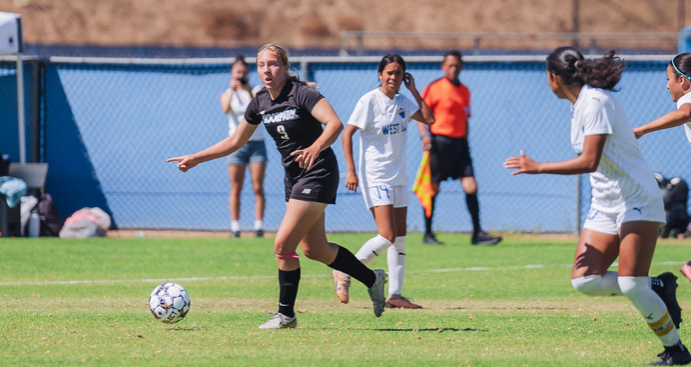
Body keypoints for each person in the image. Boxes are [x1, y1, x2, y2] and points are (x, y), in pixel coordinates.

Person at [168, 43, 387, 329]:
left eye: (272, 64)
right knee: (315, 250)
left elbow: (334, 124)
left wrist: (315, 147)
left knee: (283, 244)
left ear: (285, 67)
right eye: (261, 65)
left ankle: (286, 315)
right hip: (293, 177)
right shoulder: (259, 101)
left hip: (318, 171)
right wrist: (197, 158)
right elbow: (235, 141)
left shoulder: (302, 94)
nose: (266, 70)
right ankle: (373, 279)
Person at [504, 46, 690, 366]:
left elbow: (589, 161)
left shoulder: (596, 102)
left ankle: (676, 350)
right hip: (606, 203)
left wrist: (538, 167)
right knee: (585, 281)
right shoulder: (579, 106)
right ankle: (659, 285)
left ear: (553, 77)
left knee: (633, 284)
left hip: (637, 199)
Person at [334, 54, 435, 309]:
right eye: (389, 72)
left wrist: (413, 90)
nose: (393, 77)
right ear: (380, 74)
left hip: (398, 178)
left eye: (398, 73)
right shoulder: (369, 101)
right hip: (375, 176)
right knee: (387, 235)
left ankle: (396, 295)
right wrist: (351, 171)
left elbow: (430, 119)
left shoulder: (404, 101)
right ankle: (344, 270)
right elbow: (347, 134)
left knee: (399, 237)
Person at [416, 50, 502, 246]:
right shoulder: (434, 87)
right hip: (438, 143)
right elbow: (421, 113)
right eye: (449, 65)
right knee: (433, 189)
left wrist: (465, 141)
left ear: (461, 67)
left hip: (460, 145)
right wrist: (424, 135)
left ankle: (477, 233)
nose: (453, 69)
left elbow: (465, 118)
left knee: (471, 186)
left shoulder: (465, 90)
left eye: (456, 65)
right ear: (443, 66)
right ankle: (428, 233)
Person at [632, 53, 691, 283]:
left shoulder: (687, 99)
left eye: (669, 79)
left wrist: (642, 129)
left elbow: (686, 112)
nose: (667, 85)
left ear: (683, 82)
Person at [220, 55, 267, 238]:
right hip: (235, 144)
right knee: (236, 187)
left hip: (257, 143)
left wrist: (246, 89)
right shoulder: (226, 93)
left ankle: (258, 226)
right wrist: (233, 89)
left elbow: (259, 107)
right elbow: (225, 109)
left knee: (257, 187)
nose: (241, 76)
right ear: (232, 73)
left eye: (244, 73)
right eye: (238, 73)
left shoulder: (256, 90)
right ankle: (235, 227)